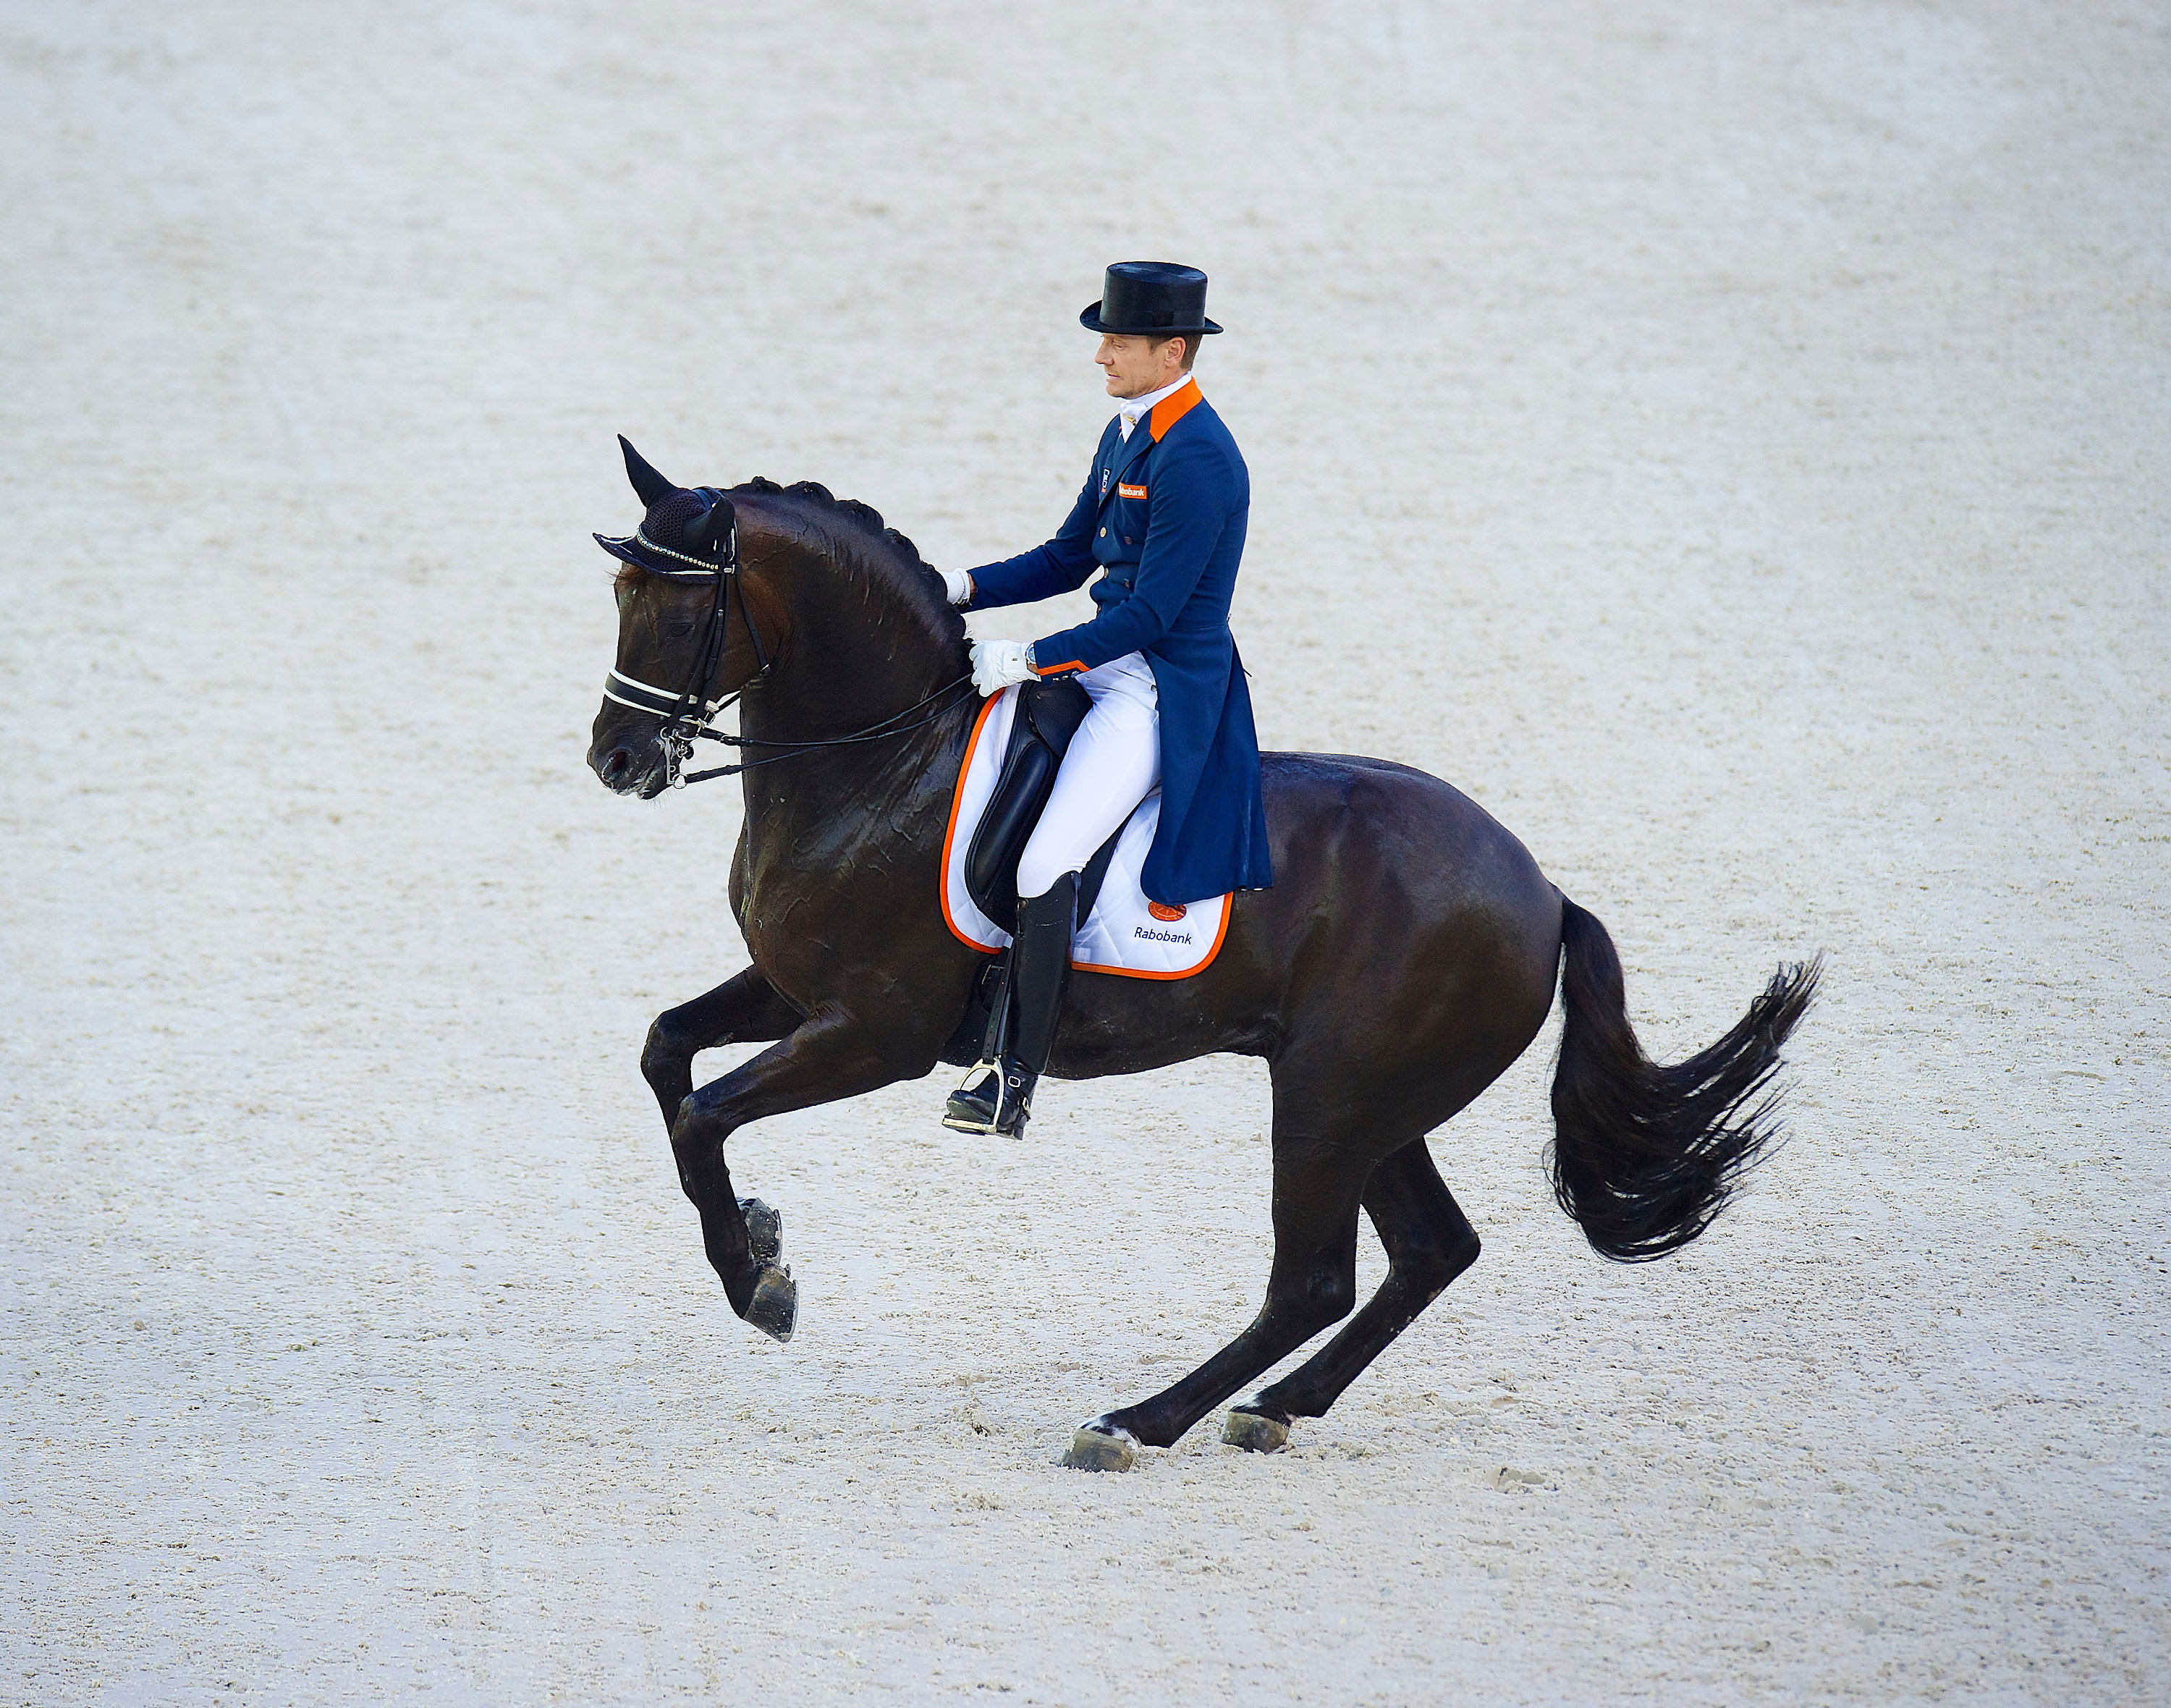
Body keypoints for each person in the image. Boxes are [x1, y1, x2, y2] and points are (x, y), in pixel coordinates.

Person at [939, 261, 1274, 1138]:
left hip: (1159, 686)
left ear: (1173, 351)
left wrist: (1031, 658)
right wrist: (957, 586)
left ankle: (1012, 1077)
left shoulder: (1201, 458)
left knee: (1046, 861)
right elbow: (1066, 557)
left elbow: (1151, 613)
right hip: (1104, 662)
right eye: (1104, 338)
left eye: (1118, 341)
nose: (1101, 355)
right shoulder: (1126, 432)